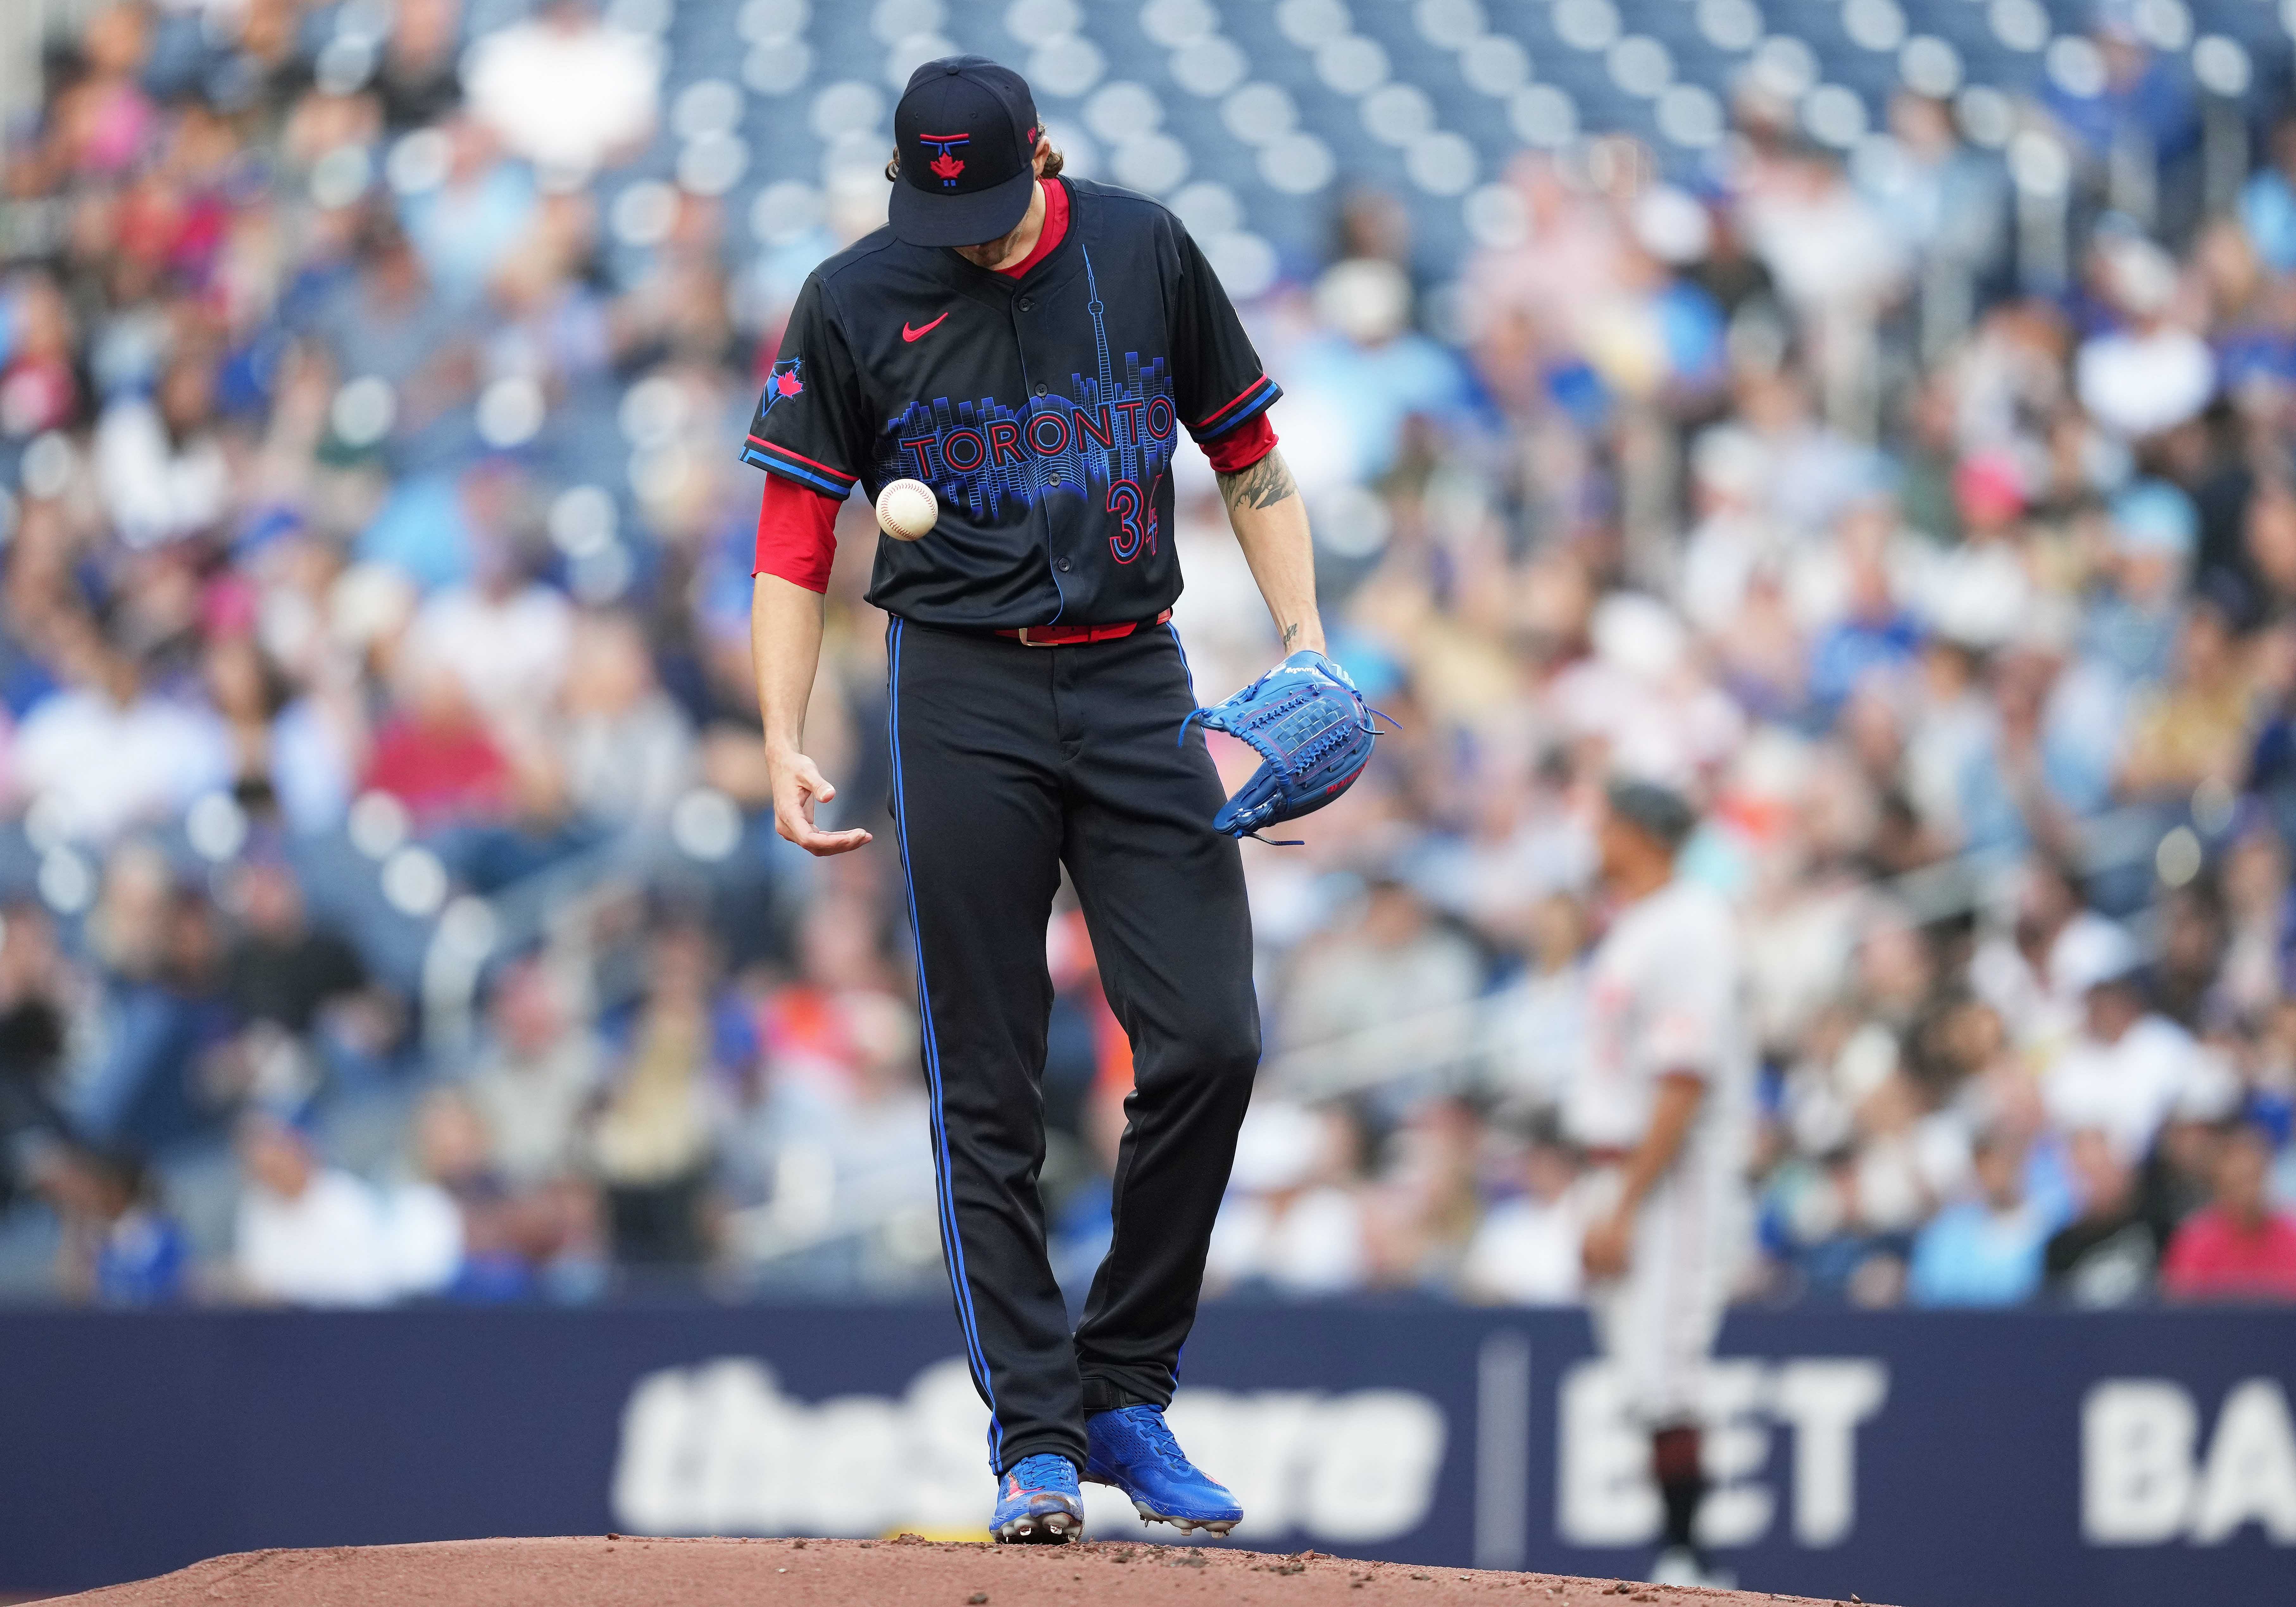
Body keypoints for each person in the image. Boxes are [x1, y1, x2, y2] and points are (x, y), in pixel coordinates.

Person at [742, 57, 1323, 1543]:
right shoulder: (854, 295)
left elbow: (1247, 449)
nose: (974, 232)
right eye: (947, 208)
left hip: (1133, 672)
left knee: (1210, 1035)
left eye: (995, 205)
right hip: (956, 691)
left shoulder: (1141, 248)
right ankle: (1038, 1433)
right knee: (988, 1087)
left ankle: (1126, 1378)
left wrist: (1307, 635)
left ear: (1044, 157)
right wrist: (782, 731)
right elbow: (794, 534)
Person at [1565, 780, 1753, 1588]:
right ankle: (1683, 1554)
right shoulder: (1638, 922)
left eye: (1606, 821)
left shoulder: (1691, 921)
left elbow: (1683, 1080)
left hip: (1671, 1176)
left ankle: (1693, 1562)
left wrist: (1627, 1203)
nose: (1595, 836)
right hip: (1624, 1166)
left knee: (1668, 1365)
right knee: (1642, 1370)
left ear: (1640, 831)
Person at [2161, 1121, 2296, 1301]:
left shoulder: (2291, 1236)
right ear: (2219, 1184)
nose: (2248, 1191)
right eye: (2238, 1182)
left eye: (2254, 1178)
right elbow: (2179, 1313)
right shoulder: (2194, 1242)